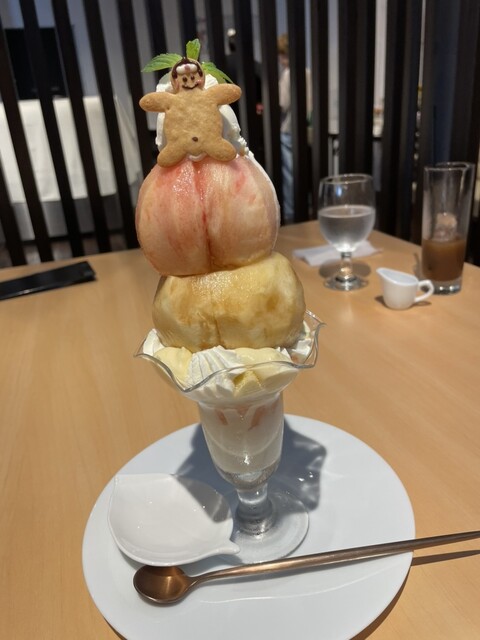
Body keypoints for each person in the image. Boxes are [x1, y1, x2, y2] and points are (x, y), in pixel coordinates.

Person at [277, 33, 312, 223]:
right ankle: (306, 207)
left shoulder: (287, 74)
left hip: (288, 129)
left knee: (289, 174)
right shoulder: (307, 72)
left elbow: (282, 103)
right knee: (303, 170)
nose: (280, 59)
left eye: (281, 55)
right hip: (304, 130)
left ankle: (291, 213)